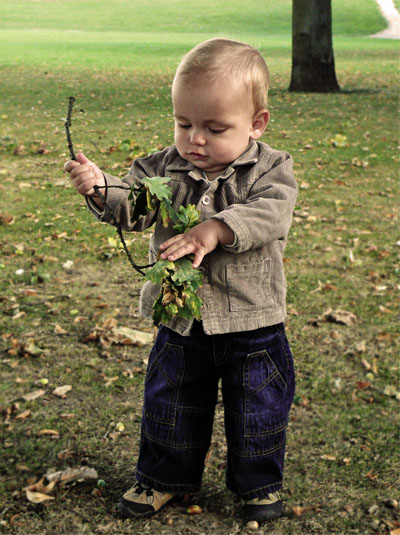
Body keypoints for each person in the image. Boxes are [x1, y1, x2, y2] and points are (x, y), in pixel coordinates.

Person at [64, 38, 298, 524]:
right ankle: (164, 477)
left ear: (256, 124)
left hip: (252, 320)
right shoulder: (160, 168)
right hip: (182, 319)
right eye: (184, 123)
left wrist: (215, 228)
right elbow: (132, 208)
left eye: (215, 128)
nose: (195, 140)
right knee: (170, 401)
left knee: (257, 407)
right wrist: (101, 187)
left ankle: (257, 484)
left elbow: (272, 214)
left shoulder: (272, 168)